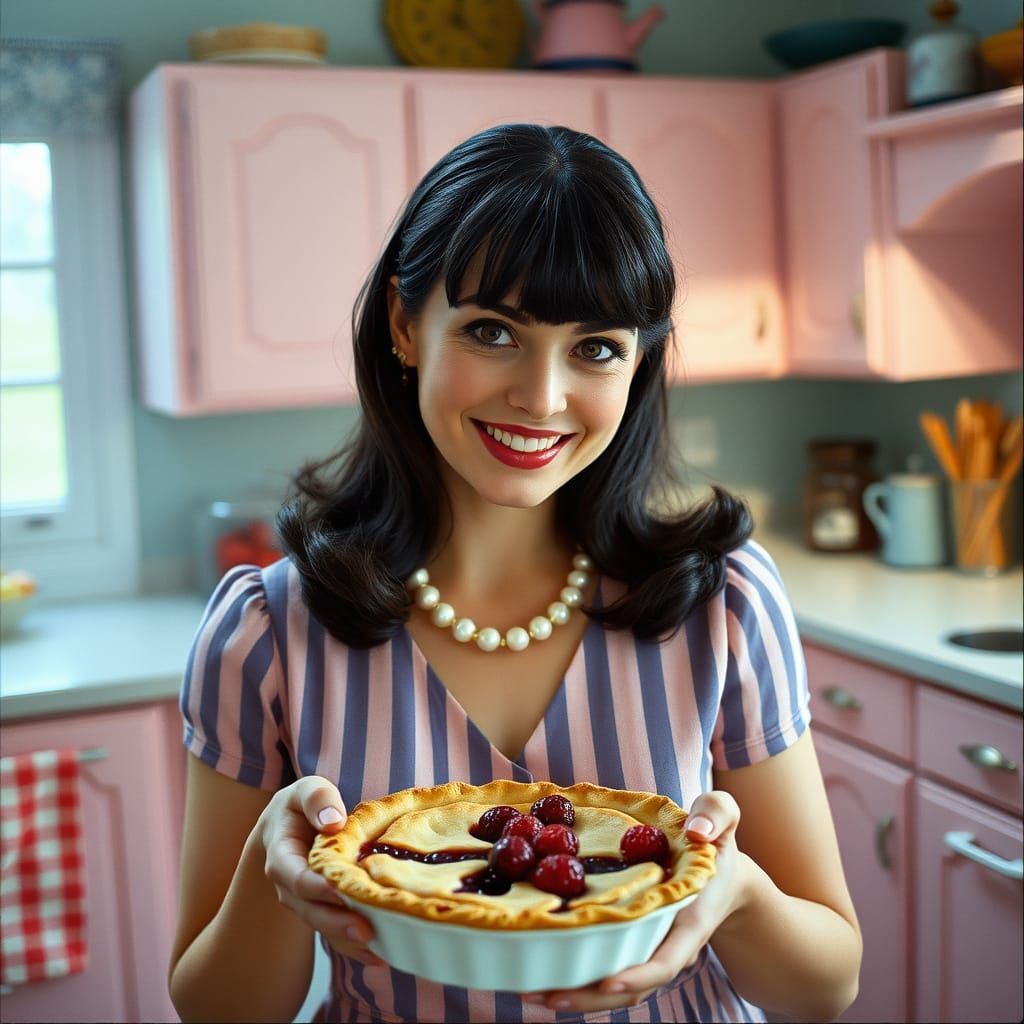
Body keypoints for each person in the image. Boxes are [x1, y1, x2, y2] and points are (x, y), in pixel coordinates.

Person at [168, 123, 861, 1023]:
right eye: (494, 331)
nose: (541, 397)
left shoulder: (724, 604)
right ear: (403, 326)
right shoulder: (265, 633)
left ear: (639, 360)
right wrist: (276, 864)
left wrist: (736, 894)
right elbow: (217, 1011)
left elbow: (825, 988)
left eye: (596, 347)